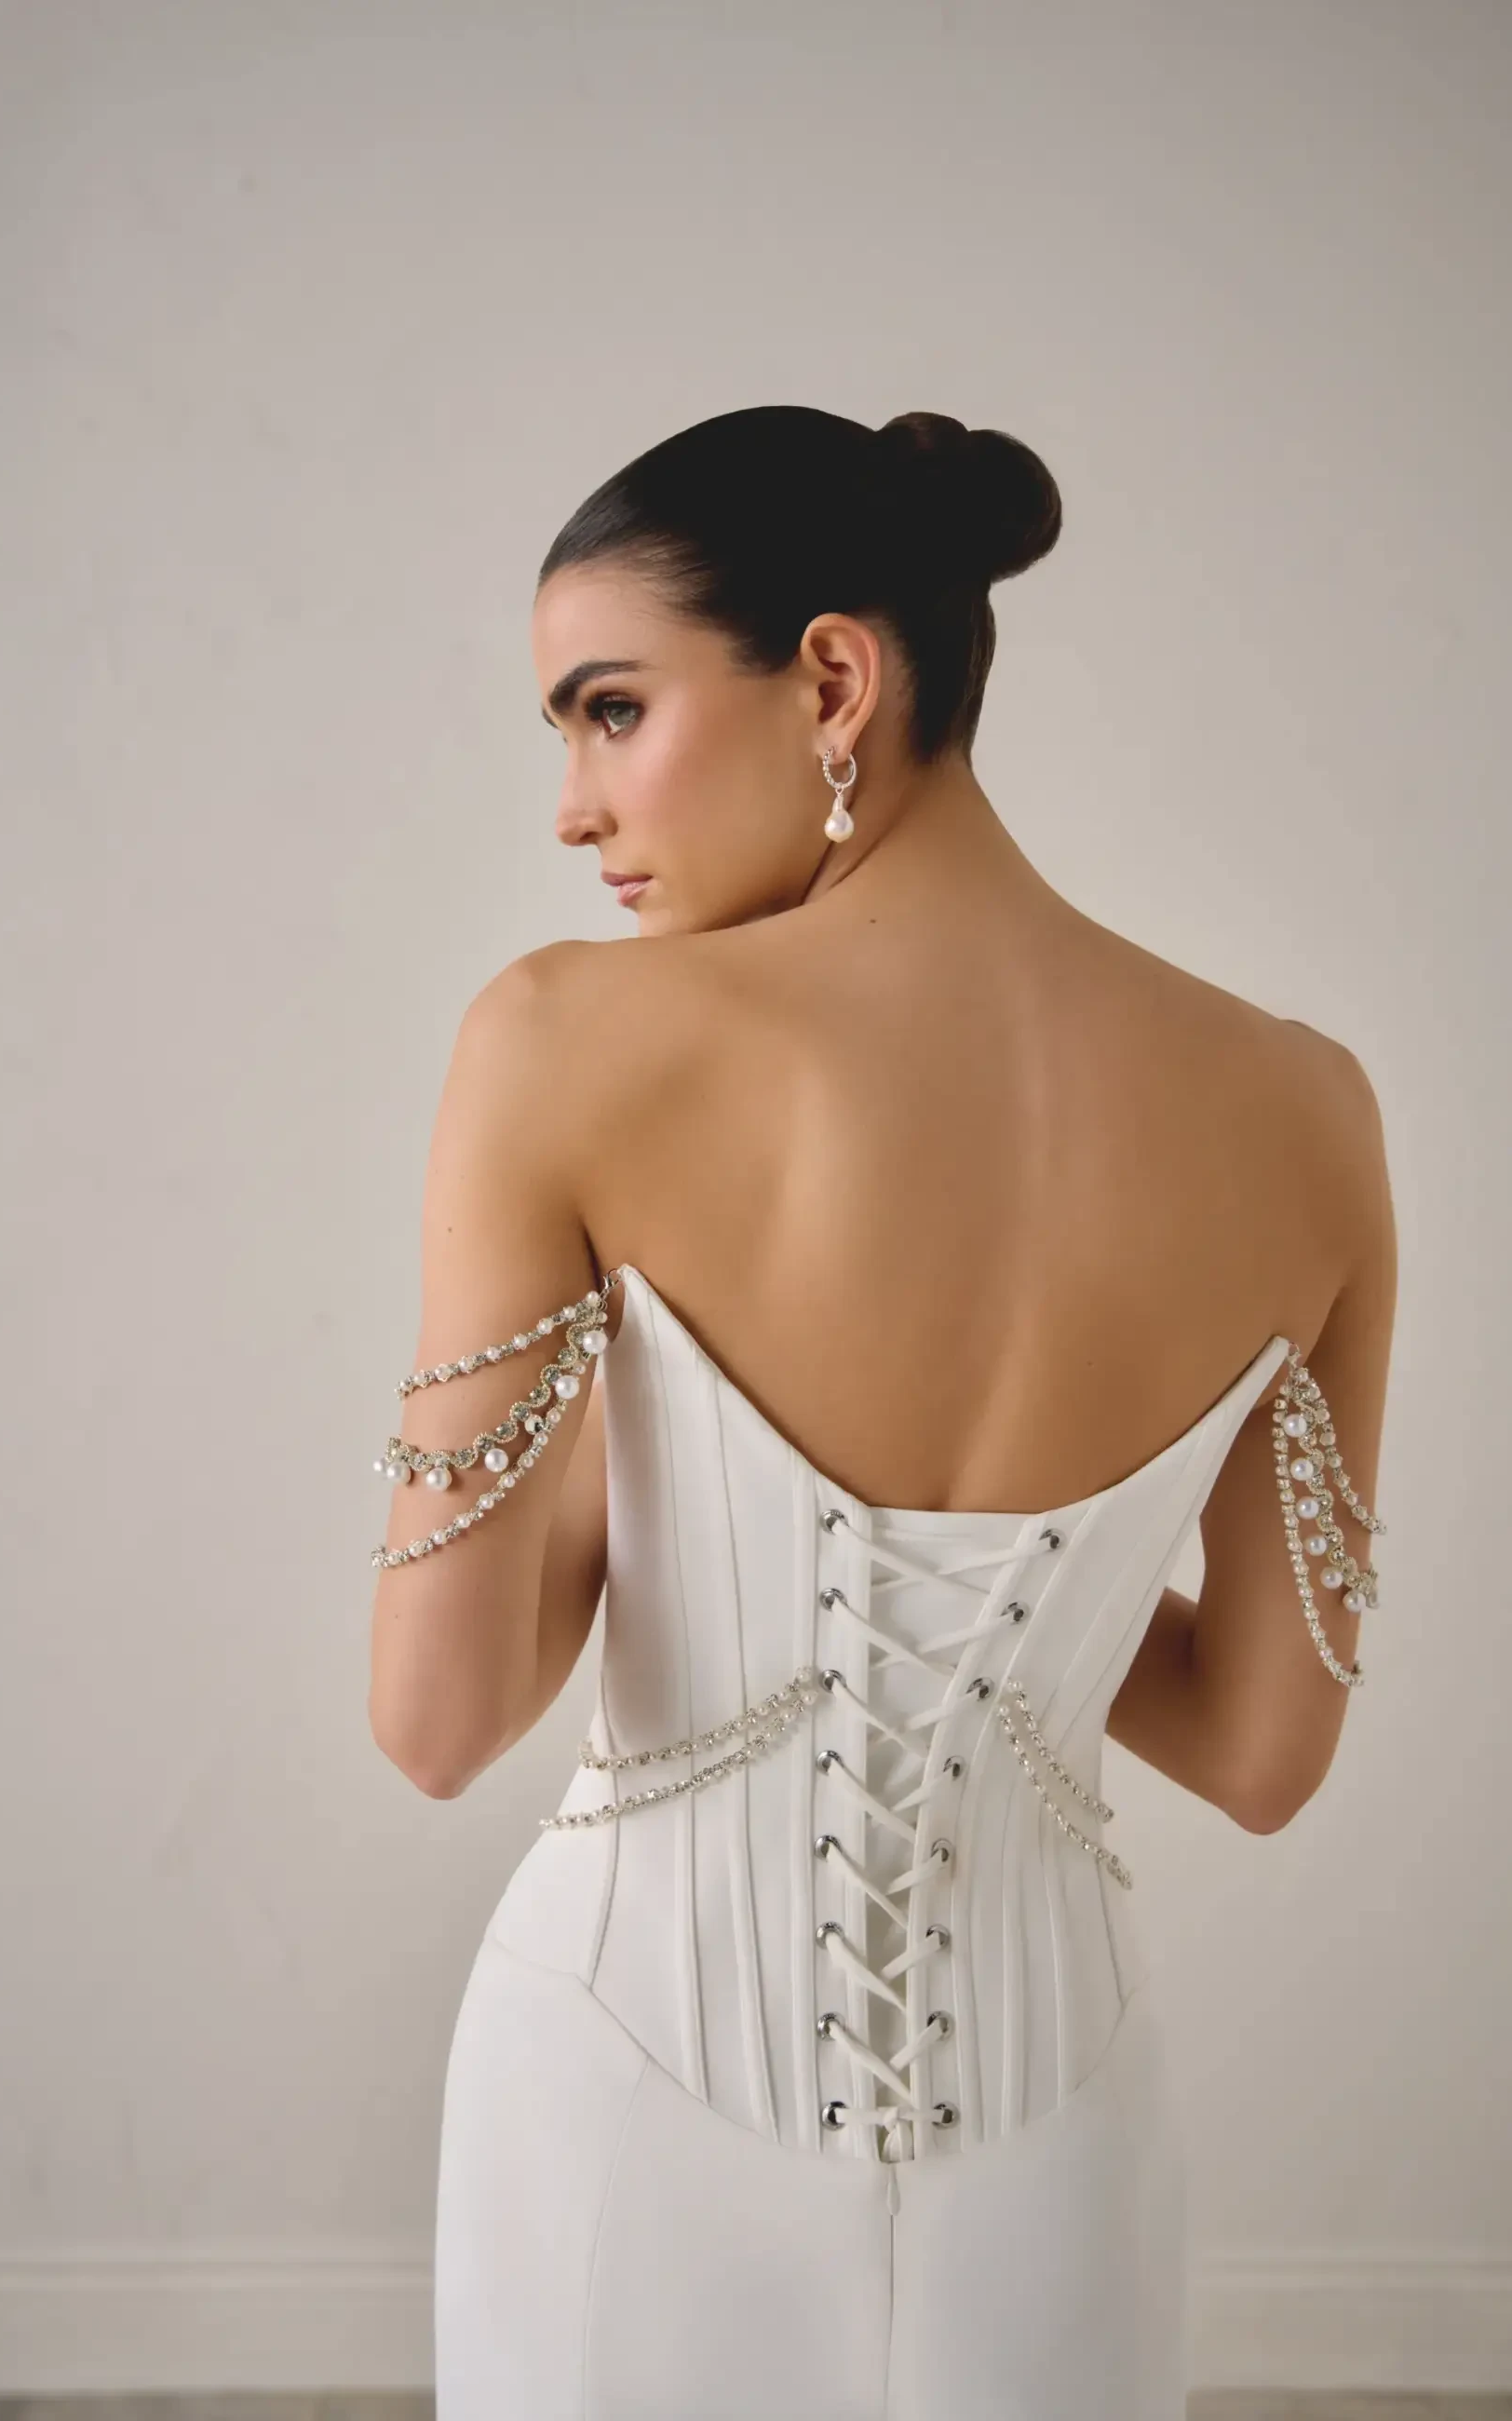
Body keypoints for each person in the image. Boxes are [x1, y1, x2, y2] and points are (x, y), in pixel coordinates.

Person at [366, 404, 1397, 2419]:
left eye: (606, 708)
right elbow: (1265, 1751)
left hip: (618, 2103)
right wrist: (1021, 1568)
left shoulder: (564, 1044)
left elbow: (436, 1719)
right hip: (1065, 2148)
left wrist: (671, 1453)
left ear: (832, 677)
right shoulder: (1305, 1111)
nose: (574, 811)